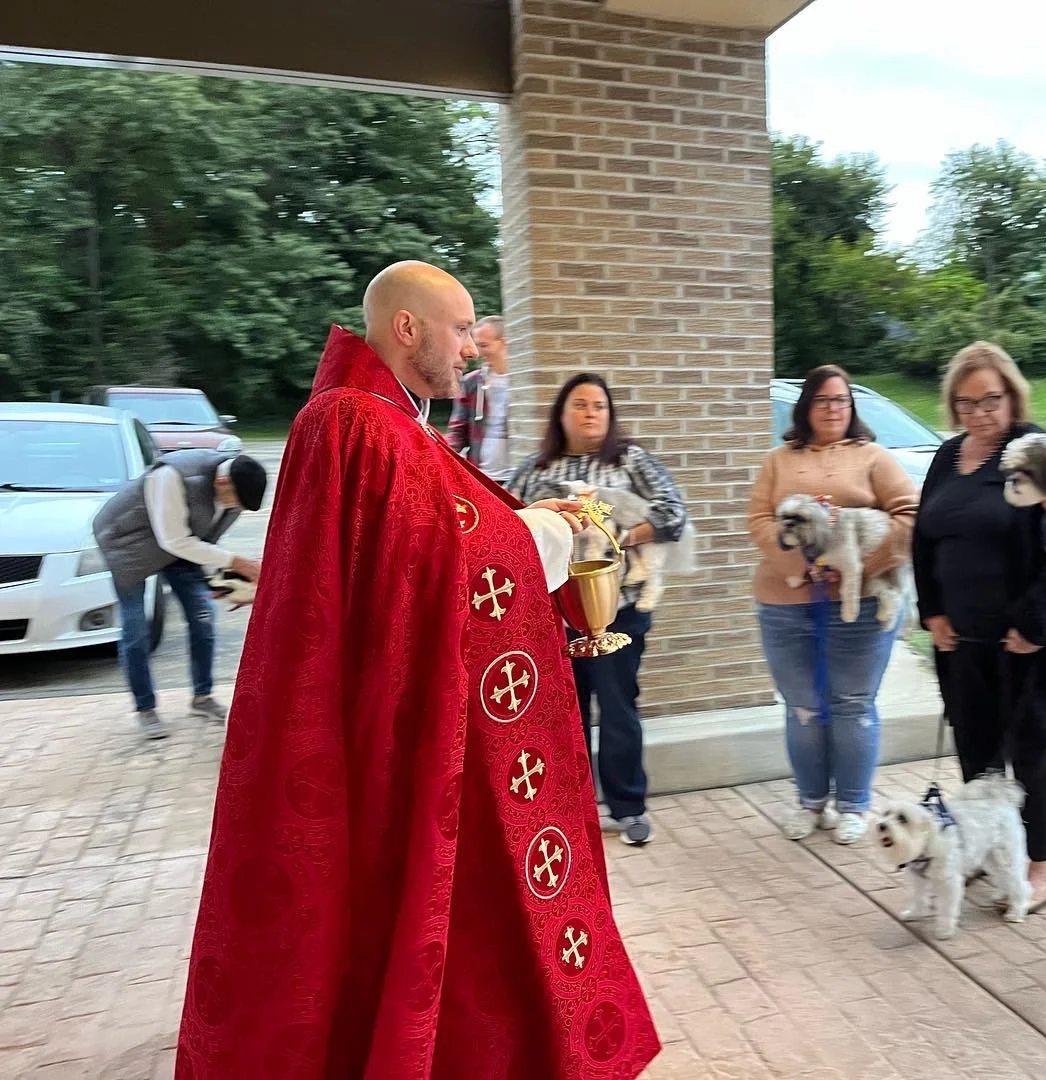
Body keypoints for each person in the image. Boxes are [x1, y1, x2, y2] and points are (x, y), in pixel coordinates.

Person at [175, 262, 660, 1079]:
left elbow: (423, 546)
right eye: (463, 328)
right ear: (408, 329)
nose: (474, 348)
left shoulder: (382, 423)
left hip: (397, 713)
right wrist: (545, 528)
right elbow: (434, 560)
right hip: (385, 730)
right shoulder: (358, 425)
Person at [912, 342, 1046, 911]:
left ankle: (1041, 866)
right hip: (960, 642)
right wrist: (931, 610)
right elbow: (923, 540)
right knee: (977, 753)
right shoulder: (947, 456)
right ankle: (988, 849)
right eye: (966, 403)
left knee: (1032, 754)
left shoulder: (1036, 453)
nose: (980, 413)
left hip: (1022, 643)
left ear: (1012, 396)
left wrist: (1034, 622)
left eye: (991, 400)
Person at [507, 373, 689, 849]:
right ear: (561, 414)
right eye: (581, 405)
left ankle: (629, 808)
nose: (591, 414)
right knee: (564, 714)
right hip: (555, 614)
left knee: (617, 706)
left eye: (600, 406)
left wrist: (622, 536)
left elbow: (673, 513)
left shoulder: (631, 460)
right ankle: (572, 809)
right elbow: (505, 524)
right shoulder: (536, 468)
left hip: (619, 607)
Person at [747, 365, 916, 845]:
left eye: (840, 400)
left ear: (852, 406)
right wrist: (798, 565)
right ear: (805, 407)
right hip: (785, 601)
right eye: (822, 400)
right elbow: (759, 520)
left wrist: (862, 561)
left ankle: (853, 804)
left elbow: (909, 514)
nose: (832, 408)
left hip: (858, 604)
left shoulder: (874, 457)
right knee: (802, 705)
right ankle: (810, 800)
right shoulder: (777, 461)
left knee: (850, 703)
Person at [92, 449, 266, 738]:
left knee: (203, 618)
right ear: (223, 483)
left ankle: (203, 697)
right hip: (129, 543)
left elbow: (204, 541)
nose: (235, 508)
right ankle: (145, 708)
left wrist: (225, 583)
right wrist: (239, 563)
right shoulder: (171, 476)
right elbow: (173, 539)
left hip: (180, 547)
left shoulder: (234, 495)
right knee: (136, 628)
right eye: (235, 501)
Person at [446, 314, 510, 480]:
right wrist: (440, 455)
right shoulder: (470, 382)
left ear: (504, 342)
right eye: (477, 345)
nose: (478, 352)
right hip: (483, 477)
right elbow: (458, 430)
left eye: (484, 345)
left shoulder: (525, 383)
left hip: (517, 477)